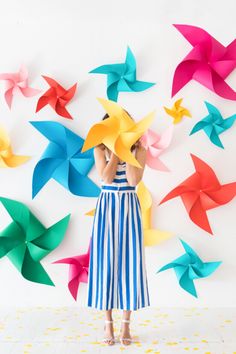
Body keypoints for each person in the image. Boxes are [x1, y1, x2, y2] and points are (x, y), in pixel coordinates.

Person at [86, 112, 150, 346]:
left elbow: (133, 182)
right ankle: (108, 323)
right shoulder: (99, 150)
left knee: (129, 263)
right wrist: (114, 154)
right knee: (105, 262)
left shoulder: (140, 150)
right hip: (107, 207)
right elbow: (105, 178)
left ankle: (126, 325)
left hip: (129, 207)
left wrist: (127, 152)